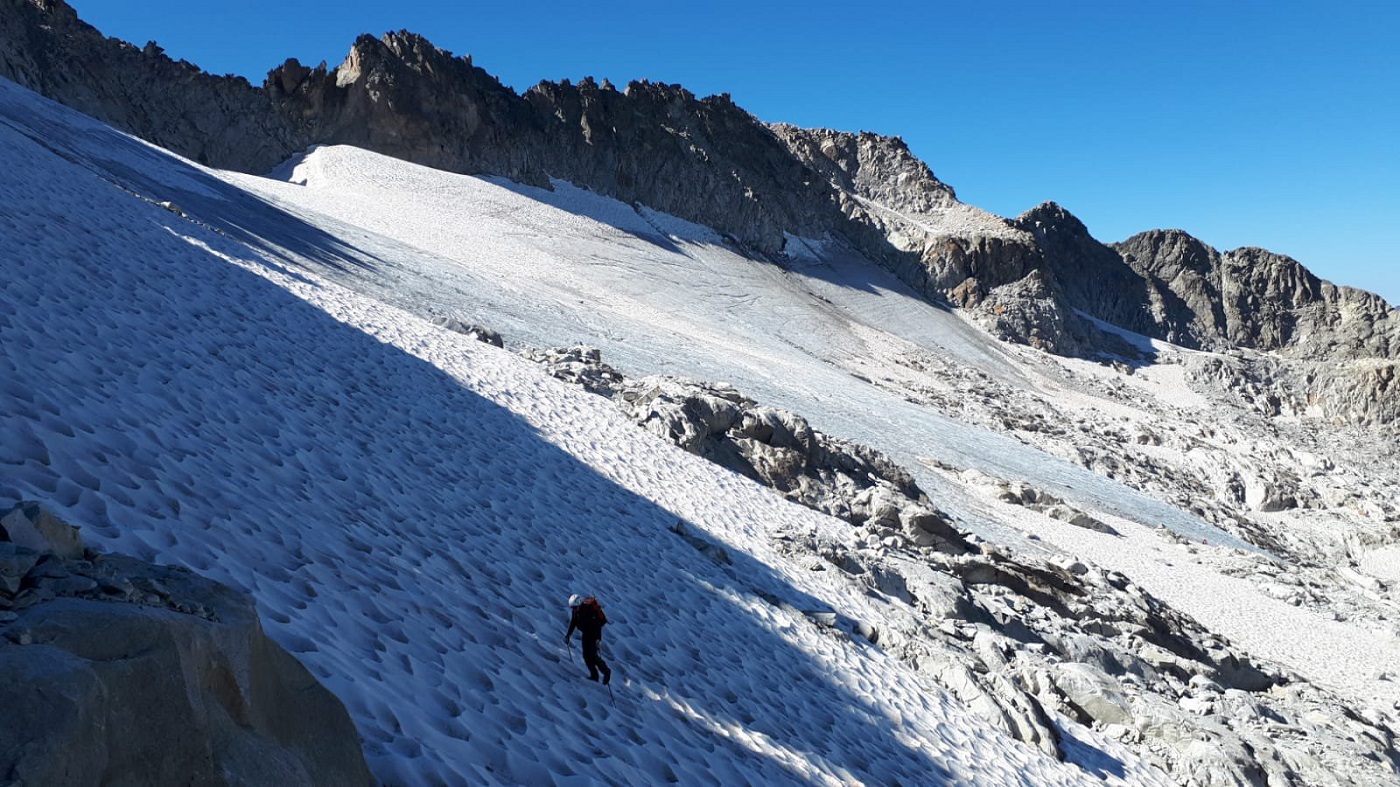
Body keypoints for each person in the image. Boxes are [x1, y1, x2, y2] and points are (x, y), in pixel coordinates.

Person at [565, 594, 611, 685]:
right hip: (586, 634)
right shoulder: (575, 611)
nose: (573, 609)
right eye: (572, 608)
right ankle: (594, 676)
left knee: (592, 656)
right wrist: (568, 635)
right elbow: (573, 622)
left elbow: (597, 625)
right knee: (586, 656)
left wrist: (598, 639)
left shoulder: (589, 609)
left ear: (579, 605)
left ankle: (606, 671)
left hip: (593, 635)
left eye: (574, 607)